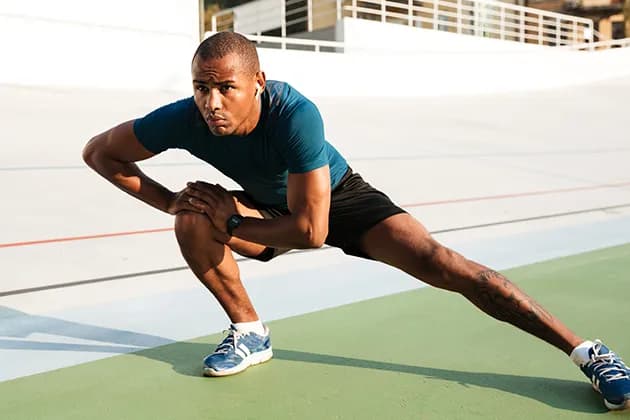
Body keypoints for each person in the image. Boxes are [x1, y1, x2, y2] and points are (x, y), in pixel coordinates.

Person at [82, 31, 630, 409]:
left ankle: (588, 352)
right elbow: (100, 152)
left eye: (226, 87)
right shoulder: (183, 117)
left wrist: (229, 224)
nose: (212, 102)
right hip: (267, 206)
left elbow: (312, 232)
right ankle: (250, 333)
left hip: (339, 200)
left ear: (258, 83)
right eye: (202, 87)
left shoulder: (296, 114)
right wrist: (174, 202)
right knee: (191, 221)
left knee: (446, 265)